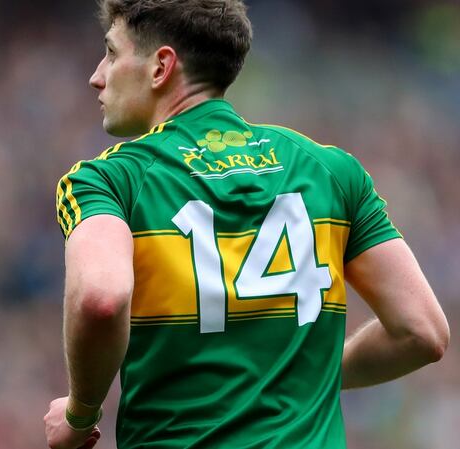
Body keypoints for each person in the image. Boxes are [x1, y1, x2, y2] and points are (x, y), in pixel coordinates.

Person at [43, 0, 451, 448]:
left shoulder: (108, 180)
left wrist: (80, 414)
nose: (97, 75)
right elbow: (422, 332)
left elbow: (100, 298)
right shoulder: (330, 170)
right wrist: (299, 375)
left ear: (161, 67)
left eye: (112, 53)